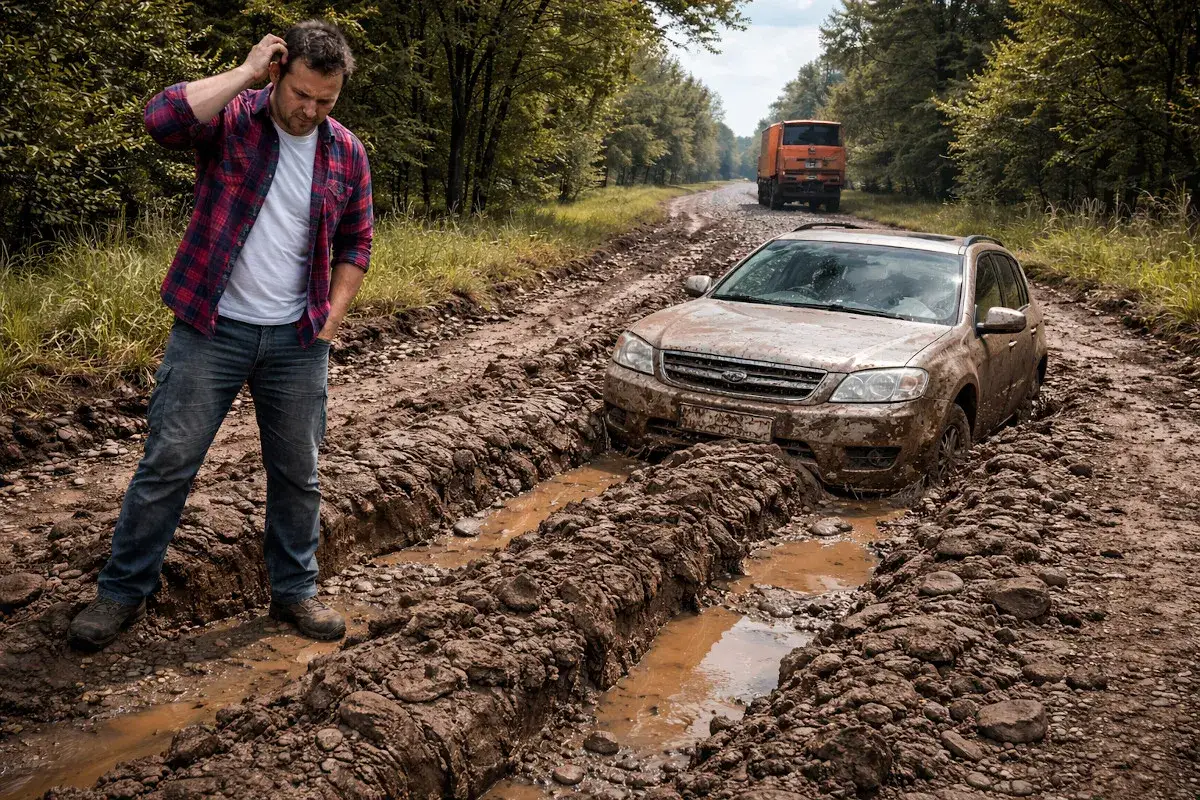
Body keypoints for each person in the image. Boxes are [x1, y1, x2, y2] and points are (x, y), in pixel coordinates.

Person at [67, 20, 373, 650]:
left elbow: (356, 242)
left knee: (298, 472)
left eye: (326, 101)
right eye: (301, 95)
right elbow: (160, 121)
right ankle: (121, 592)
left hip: (297, 340)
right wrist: (244, 71)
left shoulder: (346, 151)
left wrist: (329, 320)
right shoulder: (234, 118)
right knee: (169, 462)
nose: (311, 110)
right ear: (278, 74)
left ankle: (295, 592)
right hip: (211, 327)